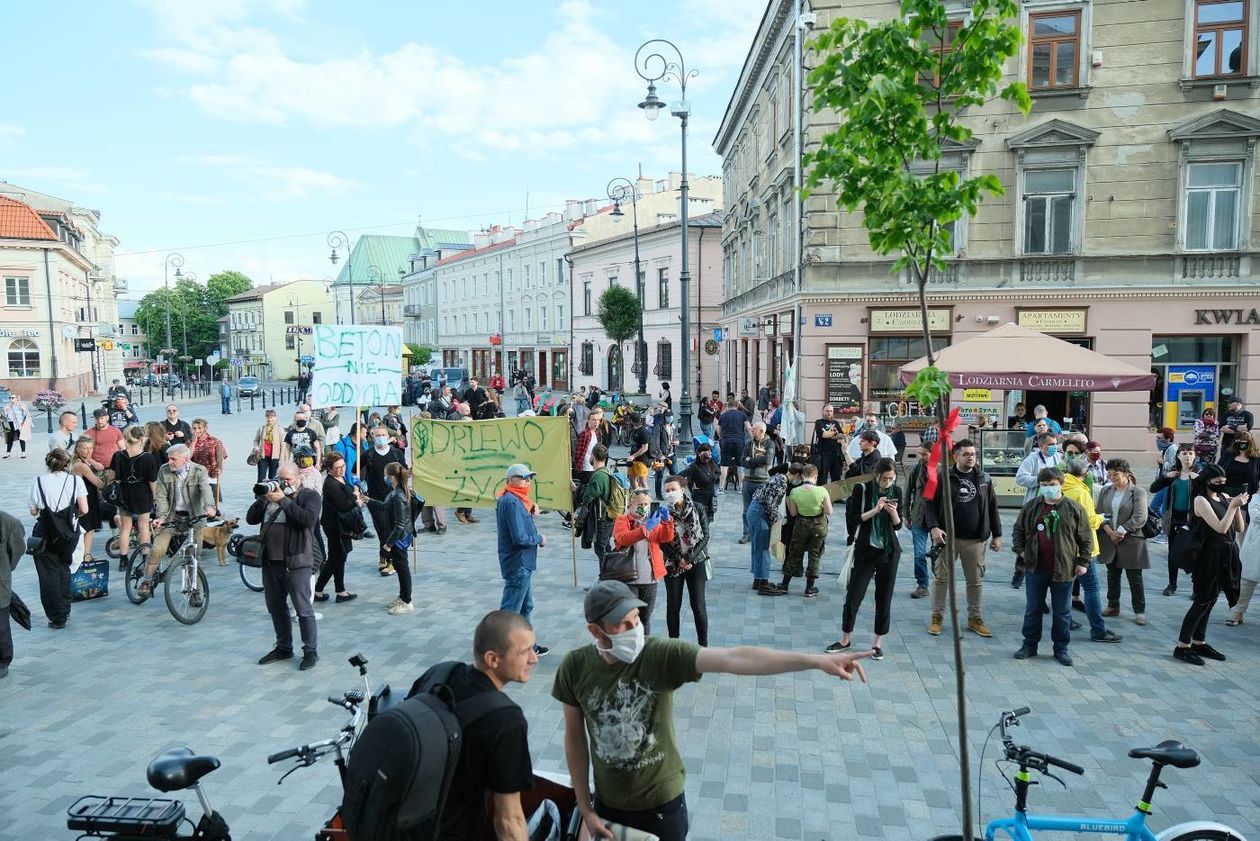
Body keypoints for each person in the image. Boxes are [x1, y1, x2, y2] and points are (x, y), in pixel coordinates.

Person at [553, 580, 872, 841]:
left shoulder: (660, 655)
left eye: (635, 619)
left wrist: (817, 661)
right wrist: (585, 806)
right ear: (596, 631)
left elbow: (736, 658)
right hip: (608, 806)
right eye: (622, 624)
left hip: (662, 806)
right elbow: (575, 739)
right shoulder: (575, 666)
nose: (634, 629)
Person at [408, 610, 537, 841]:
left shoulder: (440, 673)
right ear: (492, 659)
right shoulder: (506, 720)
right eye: (525, 651)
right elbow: (509, 820)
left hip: (407, 825)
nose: (534, 658)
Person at [1011, 468, 1094, 667]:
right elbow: (1018, 529)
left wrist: (1083, 562)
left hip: (1063, 569)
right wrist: (1021, 551)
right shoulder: (1032, 507)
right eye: (1045, 485)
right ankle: (1029, 644)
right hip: (1036, 568)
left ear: (1061, 484)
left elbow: (1085, 537)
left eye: (1052, 484)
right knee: (1033, 609)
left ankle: (1061, 648)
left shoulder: (1074, 508)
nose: (1048, 489)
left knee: (1062, 612)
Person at [924, 439, 1001, 637]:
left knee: (975, 581)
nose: (970, 457)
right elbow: (929, 504)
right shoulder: (941, 476)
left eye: (973, 454)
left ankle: (974, 618)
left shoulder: (984, 478)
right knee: (941, 578)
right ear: (955, 456)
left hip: (975, 539)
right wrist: (933, 527)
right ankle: (936, 617)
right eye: (966, 454)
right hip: (946, 539)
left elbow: (992, 508)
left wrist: (997, 535)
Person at [250, 461, 322, 669]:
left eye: (287, 479)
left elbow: (308, 520)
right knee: (275, 607)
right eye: (279, 478)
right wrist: (262, 498)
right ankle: (283, 647)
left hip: (296, 561)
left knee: (303, 609)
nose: (282, 482)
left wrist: (284, 500)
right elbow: (251, 518)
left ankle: (310, 651)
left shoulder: (309, 496)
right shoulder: (270, 496)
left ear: (298, 478)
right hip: (270, 561)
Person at [1174, 464, 1247, 665]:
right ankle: (1182, 646)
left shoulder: (1222, 498)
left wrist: (1237, 507)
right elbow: (1221, 528)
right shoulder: (1200, 500)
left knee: (1212, 599)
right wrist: (1232, 507)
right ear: (1207, 481)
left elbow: (1239, 527)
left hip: (1226, 555)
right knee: (1202, 600)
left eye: (1224, 482)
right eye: (1217, 482)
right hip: (1208, 556)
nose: (1222, 485)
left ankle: (1198, 641)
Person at [829, 457, 901, 657]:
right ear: (876, 476)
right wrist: (875, 510)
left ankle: (877, 644)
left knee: (884, 598)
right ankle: (845, 639)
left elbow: (898, 525)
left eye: (891, 479)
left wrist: (893, 513)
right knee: (853, 596)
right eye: (884, 479)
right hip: (865, 550)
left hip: (889, 551)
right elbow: (852, 520)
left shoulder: (897, 492)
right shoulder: (862, 490)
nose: (887, 483)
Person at [138, 444, 216, 599]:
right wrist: (161, 517)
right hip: (172, 516)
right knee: (158, 548)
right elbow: (160, 496)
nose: (169, 462)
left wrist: (210, 507)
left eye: (173, 459)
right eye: (168, 458)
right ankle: (146, 581)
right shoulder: (164, 470)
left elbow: (205, 490)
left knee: (194, 556)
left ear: (186, 459)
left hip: (194, 518)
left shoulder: (199, 470)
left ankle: (195, 591)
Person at [1060, 456, 1123, 644]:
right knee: (1092, 588)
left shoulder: (1060, 488)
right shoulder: (1081, 492)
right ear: (1085, 474)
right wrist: (1101, 518)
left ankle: (1066, 621)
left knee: (1065, 587)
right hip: (1083, 548)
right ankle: (1098, 629)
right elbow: (1088, 521)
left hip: (1064, 546)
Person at [27, 448, 88, 629]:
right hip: (69, 532)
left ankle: (56, 616)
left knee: (48, 575)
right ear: (67, 463)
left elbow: (33, 511)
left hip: (45, 533)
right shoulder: (76, 481)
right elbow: (84, 509)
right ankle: (65, 608)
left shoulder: (38, 482)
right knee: (64, 568)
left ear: (49, 464)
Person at [497, 463, 548, 656]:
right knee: (510, 610)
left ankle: (527, 645)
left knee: (526, 606)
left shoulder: (514, 500)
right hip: (518, 563)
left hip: (521, 563)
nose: (527, 481)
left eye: (529, 478)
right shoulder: (511, 502)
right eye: (524, 477)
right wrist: (539, 539)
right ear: (510, 480)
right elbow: (519, 538)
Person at [612, 488, 673, 634]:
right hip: (628, 577)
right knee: (629, 618)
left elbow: (666, 538)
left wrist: (667, 522)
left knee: (645, 618)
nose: (643, 507)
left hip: (650, 578)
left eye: (646, 504)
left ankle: (644, 650)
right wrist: (645, 529)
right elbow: (623, 539)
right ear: (630, 505)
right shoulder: (623, 520)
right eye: (639, 504)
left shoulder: (652, 519)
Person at [1097, 459, 1150, 625]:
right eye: (1110, 474)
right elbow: (1099, 513)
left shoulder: (1138, 492)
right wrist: (1109, 532)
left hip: (1131, 538)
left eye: (1116, 474)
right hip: (1109, 538)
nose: (1112, 477)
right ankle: (1113, 605)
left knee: (1134, 576)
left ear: (1126, 474)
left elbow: (1140, 517)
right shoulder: (1106, 491)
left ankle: (1139, 611)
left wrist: (1120, 531)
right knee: (1112, 573)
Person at [660, 475, 710, 647]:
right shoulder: (663, 513)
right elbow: (662, 542)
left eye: (673, 489)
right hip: (673, 564)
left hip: (696, 561)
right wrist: (678, 559)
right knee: (673, 605)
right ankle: (674, 646)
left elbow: (705, 536)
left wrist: (689, 557)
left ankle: (703, 645)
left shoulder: (698, 508)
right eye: (667, 491)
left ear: (682, 489)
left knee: (698, 606)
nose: (670, 493)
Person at [368, 461, 416, 615]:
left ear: (391, 477)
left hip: (399, 539)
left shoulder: (398, 496)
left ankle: (407, 600)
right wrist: (368, 500)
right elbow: (384, 507)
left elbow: (400, 524)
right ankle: (403, 596)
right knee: (401, 567)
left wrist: (389, 543)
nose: (385, 478)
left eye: (386, 476)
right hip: (398, 537)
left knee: (402, 568)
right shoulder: (395, 492)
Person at [1151, 444, 1199, 596]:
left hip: (1193, 519)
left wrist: (1200, 480)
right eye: (1184, 453)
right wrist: (1165, 477)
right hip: (1173, 518)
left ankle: (1195, 587)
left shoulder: (1199, 474)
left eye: (1190, 453)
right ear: (1178, 456)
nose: (1187, 456)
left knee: (1194, 553)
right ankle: (1172, 584)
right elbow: (1153, 488)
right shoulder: (1174, 474)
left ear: (1195, 456)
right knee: (1172, 552)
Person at [315, 451, 361, 605]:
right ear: (329, 469)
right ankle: (318, 590)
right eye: (338, 467)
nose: (342, 469)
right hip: (335, 525)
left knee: (340, 557)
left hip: (342, 524)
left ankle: (340, 590)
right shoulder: (330, 484)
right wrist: (355, 496)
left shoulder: (339, 478)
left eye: (343, 466)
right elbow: (344, 505)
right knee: (335, 558)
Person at [110, 426, 159, 570]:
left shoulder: (117, 456)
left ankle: (123, 560)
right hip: (142, 493)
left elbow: (111, 477)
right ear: (141, 439)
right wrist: (155, 497)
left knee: (125, 528)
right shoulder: (147, 457)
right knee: (143, 526)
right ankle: (145, 556)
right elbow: (152, 481)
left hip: (124, 493)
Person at [783, 463, 833, 598]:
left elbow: (793, 513)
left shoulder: (794, 491)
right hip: (819, 526)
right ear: (815, 476)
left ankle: (785, 584)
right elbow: (829, 511)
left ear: (802, 476)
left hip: (801, 525)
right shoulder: (822, 491)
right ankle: (810, 588)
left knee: (794, 552)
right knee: (815, 555)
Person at [748, 463, 789, 595]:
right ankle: (763, 583)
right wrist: (775, 521)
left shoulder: (776, 477)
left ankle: (758, 579)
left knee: (757, 547)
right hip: (760, 513)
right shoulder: (781, 482)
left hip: (755, 511)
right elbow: (770, 504)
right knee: (763, 548)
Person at [579, 444, 620, 564]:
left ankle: (607, 574)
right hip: (609, 515)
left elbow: (587, 497)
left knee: (600, 548)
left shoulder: (598, 476)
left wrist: (578, 490)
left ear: (593, 456)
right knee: (605, 545)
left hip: (603, 517)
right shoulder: (605, 471)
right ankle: (607, 573)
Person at [69, 438, 106, 568]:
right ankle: (86, 556)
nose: (89, 451)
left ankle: (84, 555)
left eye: (91, 448)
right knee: (88, 528)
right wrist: (109, 480)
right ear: (77, 449)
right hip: (85, 499)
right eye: (85, 448)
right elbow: (98, 484)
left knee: (87, 528)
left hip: (88, 497)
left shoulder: (82, 462)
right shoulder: (81, 465)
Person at [1225, 493, 1260, 626]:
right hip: (1255, 545)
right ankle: (1237, 613)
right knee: (1246, 580)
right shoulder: (1256, 498)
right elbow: (1256, 516)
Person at [739, 422, 777, 544]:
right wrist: (754, 460)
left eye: (753, 429)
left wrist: (752, 460)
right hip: (748, 480)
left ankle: (763, 533)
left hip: (763, 481)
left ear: (761, 431)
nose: (751, 431)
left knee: (764, 509)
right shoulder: (749, 444)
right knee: (746, 510)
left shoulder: (770, 443)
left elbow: (767, 460)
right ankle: (747, 533)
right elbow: (742, 461)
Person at [904, 442, 933, 598]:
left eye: (924, 454)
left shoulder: (943, 471)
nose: (921, 457)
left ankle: (941, 581)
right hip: (918, 516)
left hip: (938, 520)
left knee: (938, 554)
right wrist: (905, 514)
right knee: (919, 554)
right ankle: (922, 584)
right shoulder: (915, 470)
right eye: (919, 454)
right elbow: (907, 492)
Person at [0, 509, 23, 679]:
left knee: (1, 625)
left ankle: (3, 660)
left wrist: (6, 568)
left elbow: (17, 550)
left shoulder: (7, 522)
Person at [189, 418, 227, 507]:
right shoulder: (189, 442)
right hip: (195, 476)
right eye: (194, 428)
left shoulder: (215, 441)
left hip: (211, 474)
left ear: (205, 428)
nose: (197, 430)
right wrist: (193, 442)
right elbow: (187, 457)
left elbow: (221, 457)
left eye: (199, 428)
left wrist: (220, 469)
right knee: (197, 503)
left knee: (213, 503)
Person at [716, 399, 749, 493]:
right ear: (737, 406)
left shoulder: (723, 415)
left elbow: (718, 430)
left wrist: (722, 438)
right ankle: (741, 488)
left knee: (724, 466)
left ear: (728, 406)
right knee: (740, 465)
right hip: (739, 442)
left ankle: (721, 488)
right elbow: (749, 428)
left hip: (726, 442)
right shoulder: (742, 415)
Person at [680, 440, 719, 520]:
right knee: (700, 522)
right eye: (705, 452)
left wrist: (710, 476)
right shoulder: (694, 466)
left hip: (710, 499)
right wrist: (687, 488)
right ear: (698, 453)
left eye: (709, 452)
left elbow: (718, 473)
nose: (707, 455)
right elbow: (680, 475)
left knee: (707, 523)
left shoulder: (711, 464)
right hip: (699, 499)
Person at [1216, 430, 1260, 498]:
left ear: (1250, 442)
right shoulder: (1228, 454)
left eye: (1244, 440)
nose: (1241, 442)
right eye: (1238, 439)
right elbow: (1218, 469)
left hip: (1246, 493)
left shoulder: (1256, 458)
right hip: (1226, 491)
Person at [812, 404, 846, 485]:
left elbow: (841, 436)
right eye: (827, 411)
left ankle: (836, 497)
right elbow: (822, 434)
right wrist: (835, 433)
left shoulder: (836, 423)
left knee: (836, 480)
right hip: (823, 454)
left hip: (836, 454)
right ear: (823, 412)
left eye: (831, 411)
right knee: (822, 479)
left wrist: (829, 434)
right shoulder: (819, 422)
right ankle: (821, 497)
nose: (829, 413)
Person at [252, 408, 283, 481]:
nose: (269, 419)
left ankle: (271, 491)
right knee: (261, 477)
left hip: (275, 457)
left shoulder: (279, 429)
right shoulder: (262, 428)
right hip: (263, 456)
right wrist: (256, 447)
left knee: (273, 477)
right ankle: (260, 491)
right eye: (268, 417)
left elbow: (283, 445)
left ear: (275, 418)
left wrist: (281, 459)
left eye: (271, 417)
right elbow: (256, 440)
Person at [627, 413, 652, 492]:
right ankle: (637, 496)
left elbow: (644, 448)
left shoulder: (644, 432)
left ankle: (646, 500)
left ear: (631, 421)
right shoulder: (635, 430)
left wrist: (633, 456)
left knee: (642, 480)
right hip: (633, 460)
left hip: (642, 460)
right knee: (632, 478)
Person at [3, 393, 31, 458]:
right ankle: (8, 453)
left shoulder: (21, 405)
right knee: (10, 438)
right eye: (10, 398)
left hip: (19, 423)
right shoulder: (8, 406)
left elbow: (26, 415)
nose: (11, 399)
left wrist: (23, 422)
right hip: (11, 423)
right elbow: (6, 415)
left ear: (16, 398)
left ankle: (23, 453)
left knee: (22, 438)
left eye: (12, 398)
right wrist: (6, 411)